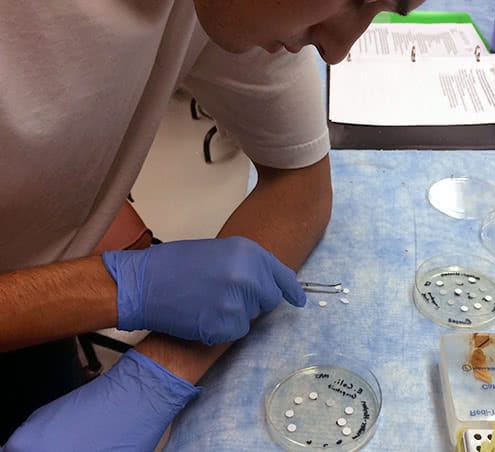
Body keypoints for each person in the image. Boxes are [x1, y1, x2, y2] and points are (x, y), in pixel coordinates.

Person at [0, 0, 423, 450]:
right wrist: (116, 287)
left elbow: (300, 183)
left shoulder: (235, 10)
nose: (337, 50)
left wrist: (158, 373)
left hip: (36, 328)